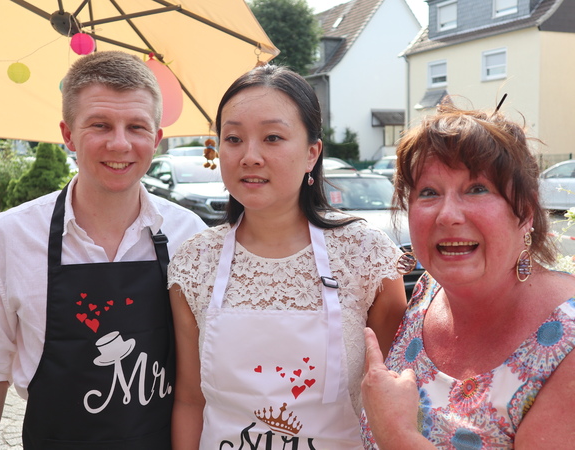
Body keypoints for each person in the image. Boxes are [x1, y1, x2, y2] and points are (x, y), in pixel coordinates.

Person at [167, 64, 407, 449]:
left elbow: (394, 397)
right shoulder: (195, 262)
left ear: (312, 153)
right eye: (233, 138)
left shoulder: (366, 255)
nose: (250, 156)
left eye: (273, 137)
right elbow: (190, 399)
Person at [0, 51, 207, 449]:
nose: (119, 143)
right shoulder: (11, 236)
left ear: (156, 139)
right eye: (100, 125)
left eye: (136, 127)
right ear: (68, 134)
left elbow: (205, 374)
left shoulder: (191, 236)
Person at [360, 101, 575, 448]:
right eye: (429, 192)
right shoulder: (427, 292)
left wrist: (397, 435)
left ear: (525, 210)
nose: (447, 215)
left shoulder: (566, 343)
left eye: (477, 189)